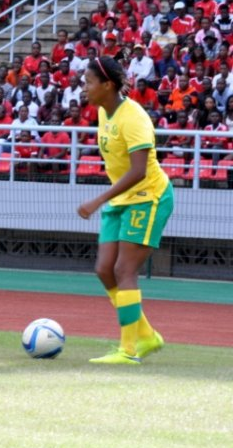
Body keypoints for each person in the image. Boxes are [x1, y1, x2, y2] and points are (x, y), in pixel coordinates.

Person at [77, 56, 172, 365]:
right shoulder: (104, 112)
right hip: (122, 199)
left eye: (89, 82)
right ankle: (145, 334)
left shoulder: (134, 118)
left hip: (148, 196)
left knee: (124, 270)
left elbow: (139, 171)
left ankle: (128, 351)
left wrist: (97, 199)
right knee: (105, 269)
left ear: (108, 85)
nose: (84, 88)